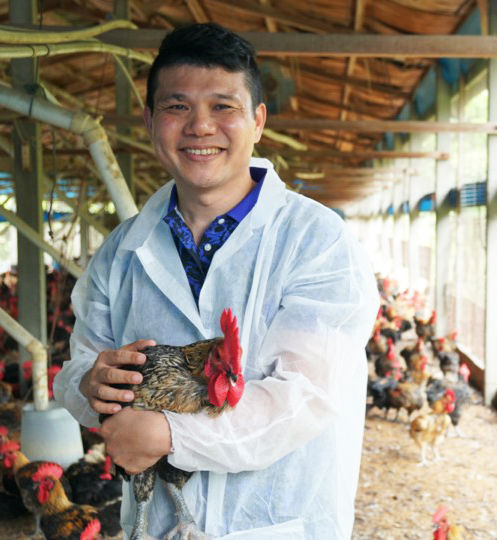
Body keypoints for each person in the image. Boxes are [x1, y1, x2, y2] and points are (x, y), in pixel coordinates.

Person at [54, 22, 379, 539]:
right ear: (150, 121)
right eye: (177, 106)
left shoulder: (317, 240)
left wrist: (169, 432)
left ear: (258, 122)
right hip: (156, 525)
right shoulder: (120, 252)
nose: (200, 126)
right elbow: (75, 374)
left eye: (223, 106)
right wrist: (89, 385)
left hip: (277, 524)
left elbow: (306, 396)